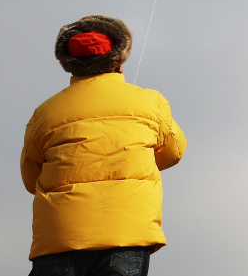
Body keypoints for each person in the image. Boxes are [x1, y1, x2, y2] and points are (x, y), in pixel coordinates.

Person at [21, 15, 186, 276]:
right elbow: (173, 153)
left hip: (58, 238)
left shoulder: (44, 113)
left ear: (70, 64)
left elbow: (31, 178)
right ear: (119, 61)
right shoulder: (151, 101)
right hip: (126, 233)